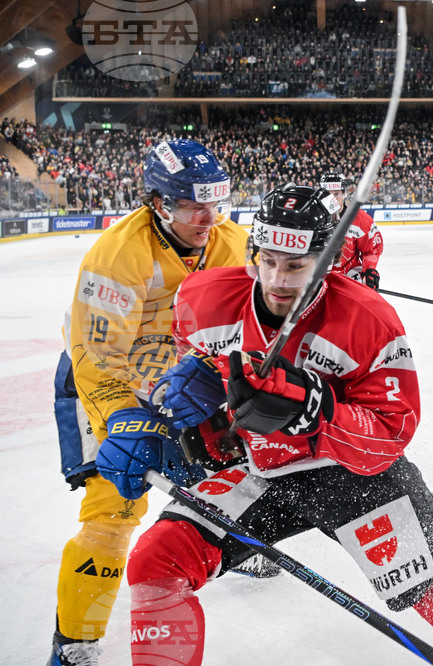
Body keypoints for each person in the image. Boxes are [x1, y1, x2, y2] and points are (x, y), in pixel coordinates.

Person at [96, 184, 433, 666]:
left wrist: (315, 410)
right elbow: (199, 392)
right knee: (156, 562)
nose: (277, 280)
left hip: (355, 479)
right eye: (268, 261)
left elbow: (391, 434)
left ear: (326, 263)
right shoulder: (203, 299)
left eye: (296, 265)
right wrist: (162, 430)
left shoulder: (370, 319)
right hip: (261, 471)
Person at [50, 139, 252, 665]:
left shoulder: (233, 242)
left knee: (238, 473)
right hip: (105, 381)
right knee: (114, 510)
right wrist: (121, 419)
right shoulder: (118, 255)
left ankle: (238, 546)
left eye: (217, 203)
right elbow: (96, 357)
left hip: (182, 380)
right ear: (159, 203)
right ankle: (75, 642)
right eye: (194, 207)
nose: (210, 219)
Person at [320, 170, 382, 289]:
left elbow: (372, 249)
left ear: (344, 194)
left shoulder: (360, 219)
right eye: (327, 194)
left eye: (336, 194)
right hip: (320, 278)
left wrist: (369, 269)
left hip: (350, 277)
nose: (331, 199)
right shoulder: (312, 219)